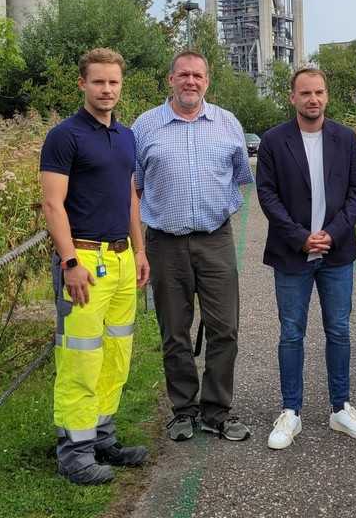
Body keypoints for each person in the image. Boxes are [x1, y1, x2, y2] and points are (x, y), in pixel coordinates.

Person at [40, 48, 150, 485]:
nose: (107, 90)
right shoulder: (64, 136)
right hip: (83, 259)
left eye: (114, 83)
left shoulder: (126, 136)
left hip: (122, 259)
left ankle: (102, 436)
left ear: (121, 86)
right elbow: (53, 203)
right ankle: (74, 453)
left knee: (115, 355)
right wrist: (69, 261)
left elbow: (130, 198)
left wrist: (140, 251)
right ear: (82, 84)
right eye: (99, 82)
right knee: (79, 359)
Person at [132, 50, 253, 442]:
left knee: (225, 328)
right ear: (170, 80)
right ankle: (184, 410)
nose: (190, 82)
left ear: (207, 81)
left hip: (215, 239)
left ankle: (217, 411)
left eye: (197, 75)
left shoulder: (227, 123)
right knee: (174, 330)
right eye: (182, 74)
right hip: (164, 243)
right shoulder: (145, 127)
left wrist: (214, 208)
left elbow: (239, 177)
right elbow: (134, 187)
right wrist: (139, 247)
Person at [256, 67, 356, 449]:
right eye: (305, 93)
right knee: (292, 333)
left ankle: (340, 407)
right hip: (292, 253)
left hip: (337, 251)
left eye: (319, 92)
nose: (313, 99)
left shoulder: (345, 138)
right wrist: (302, 238)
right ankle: (291, 412)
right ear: (292, 97)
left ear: (327, 95)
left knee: (338, 329)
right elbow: (268, 195)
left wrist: (332, 233)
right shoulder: (275, 141)